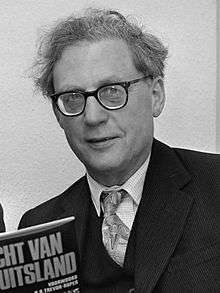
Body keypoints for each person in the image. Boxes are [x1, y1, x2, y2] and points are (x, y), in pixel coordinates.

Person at [18, 8, 219, 292]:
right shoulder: (39, 228)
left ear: (156, 95)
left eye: (112, 91)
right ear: (58, 115)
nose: (92, 117)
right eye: (73, 98)